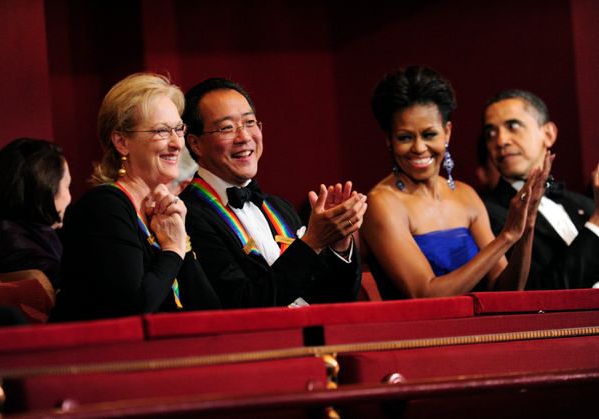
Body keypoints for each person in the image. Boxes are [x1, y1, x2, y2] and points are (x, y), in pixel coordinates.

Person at [362, 66, 550, 300]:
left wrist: (526, 226)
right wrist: (506, 237)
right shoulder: (382, 203)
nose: (419, 148)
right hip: (424, 335)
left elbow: (507, 292)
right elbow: (425, 294)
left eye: (429, 134)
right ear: (389, 140)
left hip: (485, 333)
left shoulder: (465, 195)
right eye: (405, 137)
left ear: (447, 133)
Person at [180, 77, 367, 308]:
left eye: (250, 123)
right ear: (196, 144)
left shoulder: (279, 207)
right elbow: (242, 304)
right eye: (227, 127)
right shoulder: (187, 214)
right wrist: (312, 242)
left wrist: (338, 242)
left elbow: (334, 300)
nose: (244, 137)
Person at [51, 73, 220, 322]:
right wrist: (172, 249)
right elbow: (133, 310)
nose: (177, 143)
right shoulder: (104, 207)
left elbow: (212, 313)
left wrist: (180, 240)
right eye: (162, 131)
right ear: (121, 141)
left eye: (178, 129)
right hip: (103, 357)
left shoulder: (165, 210)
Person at [481, 89, 599, 289]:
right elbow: (543, 292)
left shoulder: (584, 204)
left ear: (548, 134)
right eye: (491, 133)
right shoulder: (487, 214)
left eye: (513, 126)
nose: (500, 141)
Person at [0, 138, 71, 288]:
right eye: (67, 185)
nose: (69, 197)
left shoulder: (0, 233)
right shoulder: (11, 244)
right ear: (46, 188)